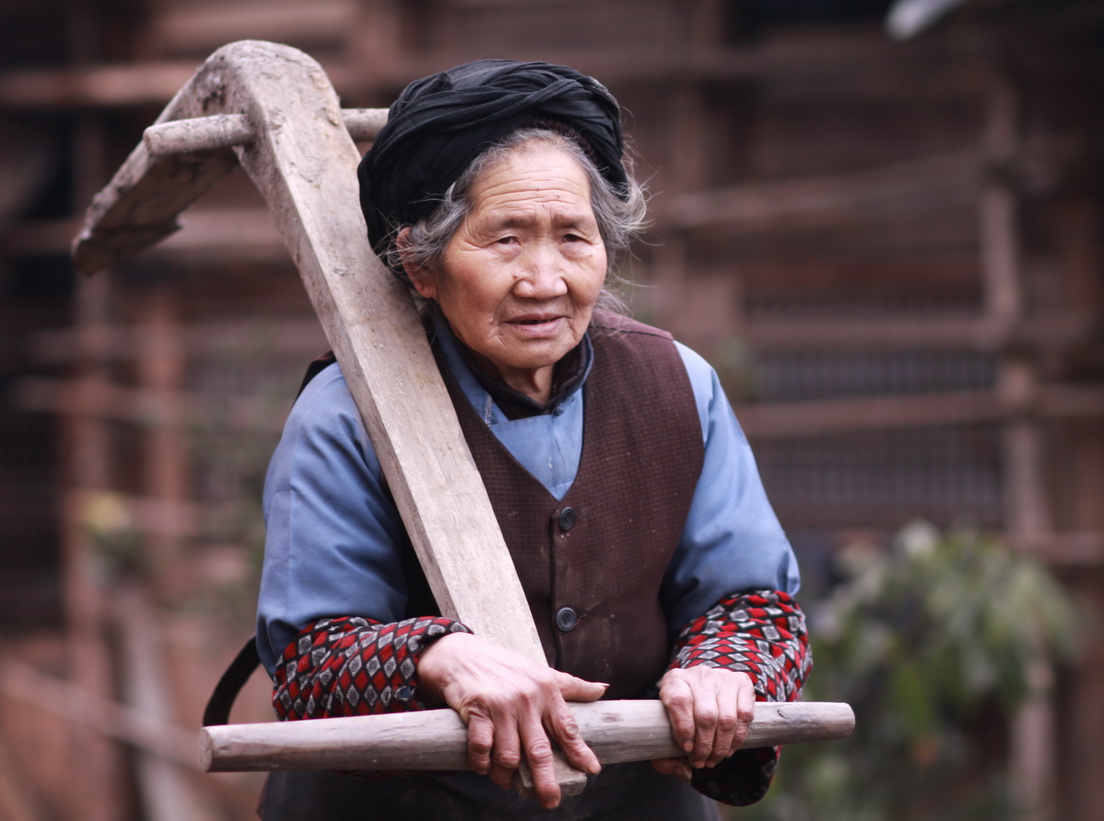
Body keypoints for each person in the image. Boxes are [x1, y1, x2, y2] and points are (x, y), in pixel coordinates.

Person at [254, 59, 811, 820]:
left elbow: (755, 604)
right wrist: (436, 656)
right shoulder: (345, 413)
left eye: (572, 237)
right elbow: (309, 663)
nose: (543, 279)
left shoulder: (678, 384)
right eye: (505, 240)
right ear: (421, 262)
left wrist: (720, 668)